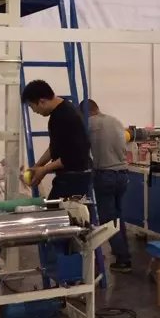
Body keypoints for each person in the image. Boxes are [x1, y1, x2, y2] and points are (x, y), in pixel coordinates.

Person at [81, 99, 131, 273]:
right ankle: (123, 255)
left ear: (86, 112)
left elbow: (81, 150)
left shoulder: (89, 124)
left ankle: (123, 259)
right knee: (118, 217)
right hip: (123, 174)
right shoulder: (115, 120)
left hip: (105, 175)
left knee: (108, 220)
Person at [21, 79, 91, 199]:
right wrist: (37, 166)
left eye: (32, 107)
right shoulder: (61, 111)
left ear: (42, 101)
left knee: (56, 210)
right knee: (55, 208)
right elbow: (55, 147)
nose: (35, 111)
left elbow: (72, 156)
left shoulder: (64, 116)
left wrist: (43, 170)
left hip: (73, 178)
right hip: (71, 177)